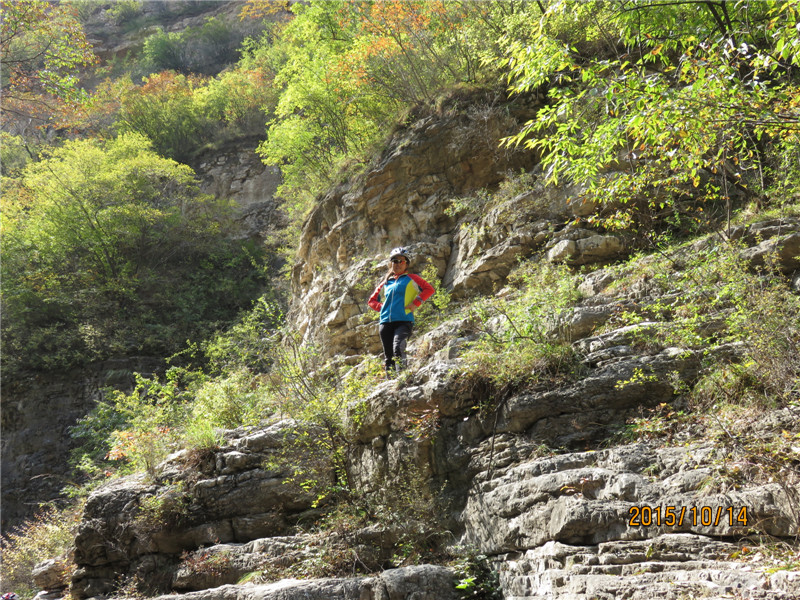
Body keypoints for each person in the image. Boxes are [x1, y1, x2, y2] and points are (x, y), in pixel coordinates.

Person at [368, 247, 435, 376]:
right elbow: (372, 301)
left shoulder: (412, 278)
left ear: (406, 264)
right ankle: (391, 384)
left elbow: (429, 289)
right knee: (389, 356)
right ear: (390, 263)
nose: (397, 264)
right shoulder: (386, 283)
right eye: (394, 261)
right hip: (385, 322)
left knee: (398, 348)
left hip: (404, 320)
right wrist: (383, 308)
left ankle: (402, 379)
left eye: (401, 261)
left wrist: (416, 303)